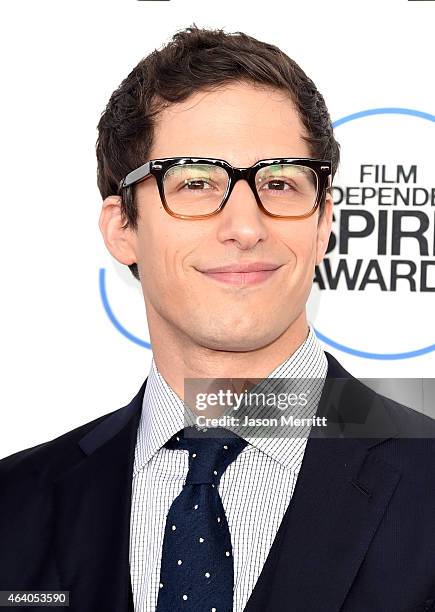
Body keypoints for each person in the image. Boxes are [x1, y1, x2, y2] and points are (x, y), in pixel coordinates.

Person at [1, 24, 434, 612]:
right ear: (122, 227)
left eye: (279, 183)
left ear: (324, 222)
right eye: (197, 183)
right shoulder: (15, 504)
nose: (245, 226)